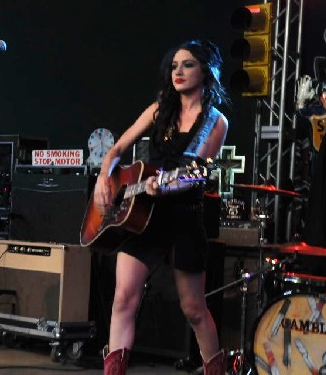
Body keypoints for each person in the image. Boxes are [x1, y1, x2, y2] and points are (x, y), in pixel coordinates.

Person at [93, 39, 229, 375]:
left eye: (188, 65)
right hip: (144, 219)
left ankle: (217, 370)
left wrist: (168, 186)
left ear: (207, 71)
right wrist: (103, 178)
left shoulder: (215, 121)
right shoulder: (158, 109)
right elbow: (117, 148)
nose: (178, 72)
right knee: (123, 299)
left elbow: (197, 173)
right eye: (174, 66)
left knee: (194, 309)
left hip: (184, 218)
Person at [292, 75, 326, 235]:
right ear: (319, 94)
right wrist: (300, 102)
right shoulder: (313, 112)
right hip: (318, 165)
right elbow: (299, 118)